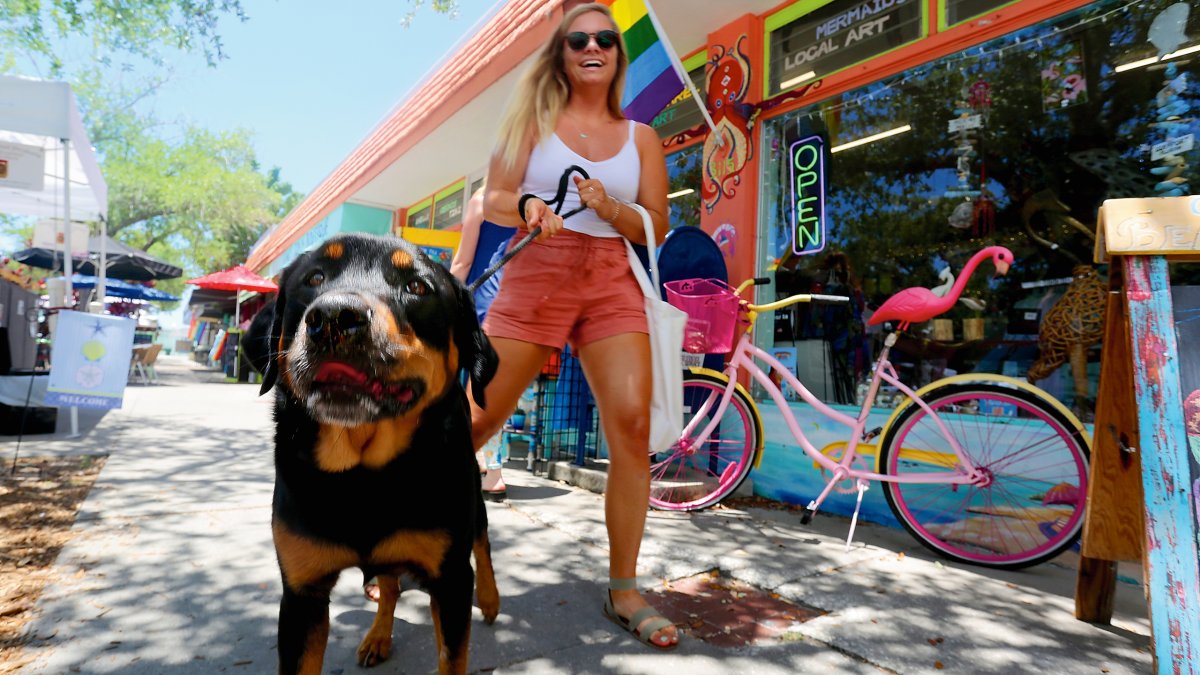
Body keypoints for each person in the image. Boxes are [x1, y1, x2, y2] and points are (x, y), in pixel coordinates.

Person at [471, 3, 678, 650]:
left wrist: (610, 206)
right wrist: (531, 204)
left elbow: (657, 225)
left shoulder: (641, 135)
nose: (594, 45)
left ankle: (624, 587)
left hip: (613, 275)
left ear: (618, 53)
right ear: (561, 53)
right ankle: (397, 547)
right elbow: (493, 199)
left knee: (632, 425)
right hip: (539, 271)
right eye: (578, 38)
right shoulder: (532, 119)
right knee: (472, 423)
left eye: (605, 38)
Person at [448, 183, 508, 501]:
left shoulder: (482, 199)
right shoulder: (533, 195)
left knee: (477, 390)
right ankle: (488, 465)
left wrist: (444, 298)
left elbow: (462, 262)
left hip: (484, 304)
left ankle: (491, 472)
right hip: (521, 304)